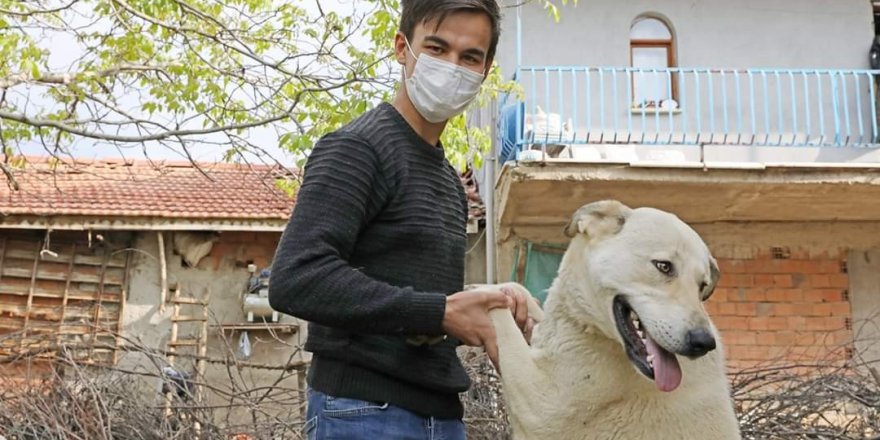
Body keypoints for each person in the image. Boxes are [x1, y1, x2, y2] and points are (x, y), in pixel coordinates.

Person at [268, 0, 534, 438]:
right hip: (364, 411)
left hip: (440, 416)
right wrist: (438, 310)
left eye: (470, 57)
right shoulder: (359, 148)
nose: (453, 66)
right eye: (437, 48)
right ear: (401, 47)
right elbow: (297, 276)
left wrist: (482, 300)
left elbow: (419, 303)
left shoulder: (449, 179)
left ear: (486, 71)